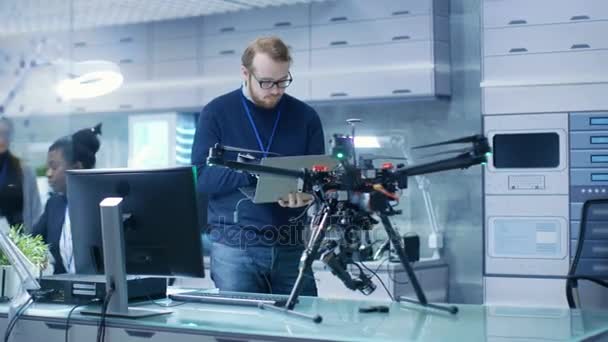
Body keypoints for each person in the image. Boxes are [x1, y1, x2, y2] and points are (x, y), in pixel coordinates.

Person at [191, 36, 325, 295]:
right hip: (235, 247)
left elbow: (319, 178)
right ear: (245, 73)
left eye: (283, 81)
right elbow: (201, 177)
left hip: (291, 245)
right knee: (241, 330)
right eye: (266, 82)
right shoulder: (217, 112)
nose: (275, 90)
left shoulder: (306, 117)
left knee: (301, 330)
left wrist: (307, 195)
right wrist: (257, 175)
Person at [32, 124, 101, 274]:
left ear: (77, 167)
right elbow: (31, 241)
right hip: (64, 292)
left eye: (54, 167)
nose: (48, 174)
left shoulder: (104, 206)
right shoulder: (54, 204)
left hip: (103, 292)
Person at [0, 116, 41, 231]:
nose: (2, 139)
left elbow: (35, 208)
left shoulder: (24, 170)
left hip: (19, 239)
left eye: (6, 133)